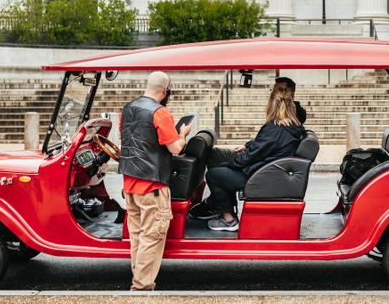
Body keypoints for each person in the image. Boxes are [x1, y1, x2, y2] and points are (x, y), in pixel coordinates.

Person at [119, 71, 191, 291]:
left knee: (138, 237)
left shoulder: (127, 109)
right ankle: (141, 287)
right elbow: (175, 148)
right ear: (165, 90)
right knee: (151, 237)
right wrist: (183, 134)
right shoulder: (160, 113)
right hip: (153, 186)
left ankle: (139, 280)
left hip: (130, 183)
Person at [194, 87, 304, 232]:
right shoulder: (294, 127)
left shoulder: (274, 129)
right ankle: (224, 209)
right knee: (223, 171)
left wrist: (230, 164)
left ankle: (229, 220)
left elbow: (252, 155)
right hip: (268, 172)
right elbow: (265, 146)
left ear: (271, 105)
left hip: (259, 175)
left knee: (214, 174)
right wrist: (247, 147)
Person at [205, 77, 308, 169]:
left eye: (279, 90)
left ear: (290, 93)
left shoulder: (288, 120)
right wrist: (248, 145)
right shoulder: (278, 126)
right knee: (215, 155)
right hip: (256, 157)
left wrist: (226, 166)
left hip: (256, 163)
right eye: (274, 90)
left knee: (215, 170)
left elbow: (265, 145)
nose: (274, 93)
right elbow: (267, 141)